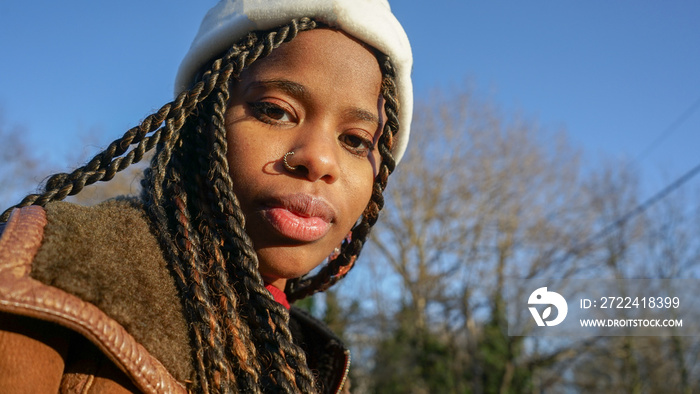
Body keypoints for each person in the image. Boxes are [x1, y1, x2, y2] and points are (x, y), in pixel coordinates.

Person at [0, 0, 412, 392]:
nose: (320, 160)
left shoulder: (311, 364)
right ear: (197, 122)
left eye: (356, 141)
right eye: (275, 111)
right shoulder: (46, 269)